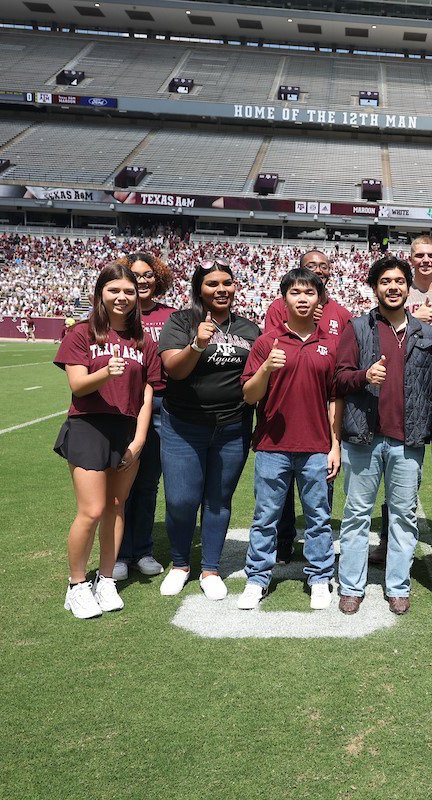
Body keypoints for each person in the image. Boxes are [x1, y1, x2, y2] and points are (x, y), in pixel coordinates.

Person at [53, 263, 160, 619]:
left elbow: (147, 392)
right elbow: (78, 386)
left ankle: (107, 580)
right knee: (92, 510)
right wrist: (105, 371)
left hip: (127, 430)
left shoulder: (142, 341)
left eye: (129, 291)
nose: (123, 297)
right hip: (88, 427)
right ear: (101, 293)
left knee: (116, 506)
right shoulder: (82, 333)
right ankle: (77, 585)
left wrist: (141, 438)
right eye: (114, 290)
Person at [334, 255, 432, 615]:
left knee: (404, 516)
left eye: (399, 281)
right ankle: (351, 585)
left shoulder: (425, 332)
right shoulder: (357, 328)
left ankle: (397, 586)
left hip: (407, 440)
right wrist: (364, 376)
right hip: (364, 437)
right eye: (385, 281)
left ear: (409, 287)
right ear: (374, 287)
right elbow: (339, 378)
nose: (392, 287)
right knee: (357, 515)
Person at [156, 259, 260, 600]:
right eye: (212, 284)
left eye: (226, 283)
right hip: (183, 426)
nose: (221, 289)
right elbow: (174, 370)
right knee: (181, 500)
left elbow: (257, 377)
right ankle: (180, 564)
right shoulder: (181, 321)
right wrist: (197, 344)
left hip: (232, 426)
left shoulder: (247, 328)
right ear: (199, 288)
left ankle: (211, 568)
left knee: (218, 500)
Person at [240, 267, 341, 610]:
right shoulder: (267, 342)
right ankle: (256, 578)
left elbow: (334, 400)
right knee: (265, 516)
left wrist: (335, 444)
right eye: (296, 292)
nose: (302, 298)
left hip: (315, 447)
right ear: (283, 298)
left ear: (319, 299)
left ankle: (320, 578)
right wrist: (267, 367)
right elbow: (250, 395)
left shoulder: (330, 343)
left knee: (318, 518)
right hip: (272, 446)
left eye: (309, 293)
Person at [368, 234, 432, 566]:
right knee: (399, 469)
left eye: (431, 255)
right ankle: (387, 539)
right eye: (419, 254)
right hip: (403, 391)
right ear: (410, 258)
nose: (426, 259)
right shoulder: (399, 292)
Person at [265, 249, 353, 564]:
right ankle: (284, 542)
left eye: (324, 266)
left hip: (320, 412)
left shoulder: (340, 313)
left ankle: (318, 549)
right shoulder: (279, 306)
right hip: (284, 414)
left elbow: (342, 361)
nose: (318, 269)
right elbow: (273, 348)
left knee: (320, 490)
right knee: (281, 487)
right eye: (311, 265)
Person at [112, 252, 175, 582]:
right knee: (122, 481)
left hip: (162, 403)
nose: (143, 280)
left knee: (149, 481)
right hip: (125, 402)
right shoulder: (117, 316)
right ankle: (119, 553)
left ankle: (143, 550)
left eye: (149, 274)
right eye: (135, 275)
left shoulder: (172, 315)